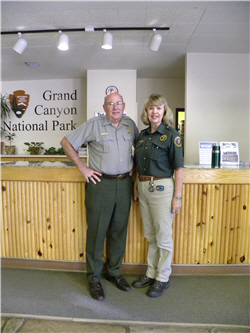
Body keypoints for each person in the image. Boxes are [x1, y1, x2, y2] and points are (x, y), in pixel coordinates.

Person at [60, 92, 138, 301]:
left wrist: (135, 168)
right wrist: (82, 168)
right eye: (110, 104)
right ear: (104, 107)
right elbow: (66, 142)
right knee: (97, 231)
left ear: (124, 105)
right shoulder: (94, 125)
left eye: (119, 103)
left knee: (119, 230)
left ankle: (113, 272)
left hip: (124, 185)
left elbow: (140, 148)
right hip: (100, 184)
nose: (115, 107)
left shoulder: (130, 125)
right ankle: (94, 278)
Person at [132, 93, 183, 298]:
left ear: (164, 111)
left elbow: (178, 169)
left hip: (162, 189)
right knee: (150, 235)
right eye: (151, 108)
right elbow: (137, 166)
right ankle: (151, 273)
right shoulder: (142, 136)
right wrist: (136, 187)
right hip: (143, 187)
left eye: (158, 108)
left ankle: (163, 277)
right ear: (146, 112)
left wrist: (177, 197)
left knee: (163, 236)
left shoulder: (172, 135)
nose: (154, 112)